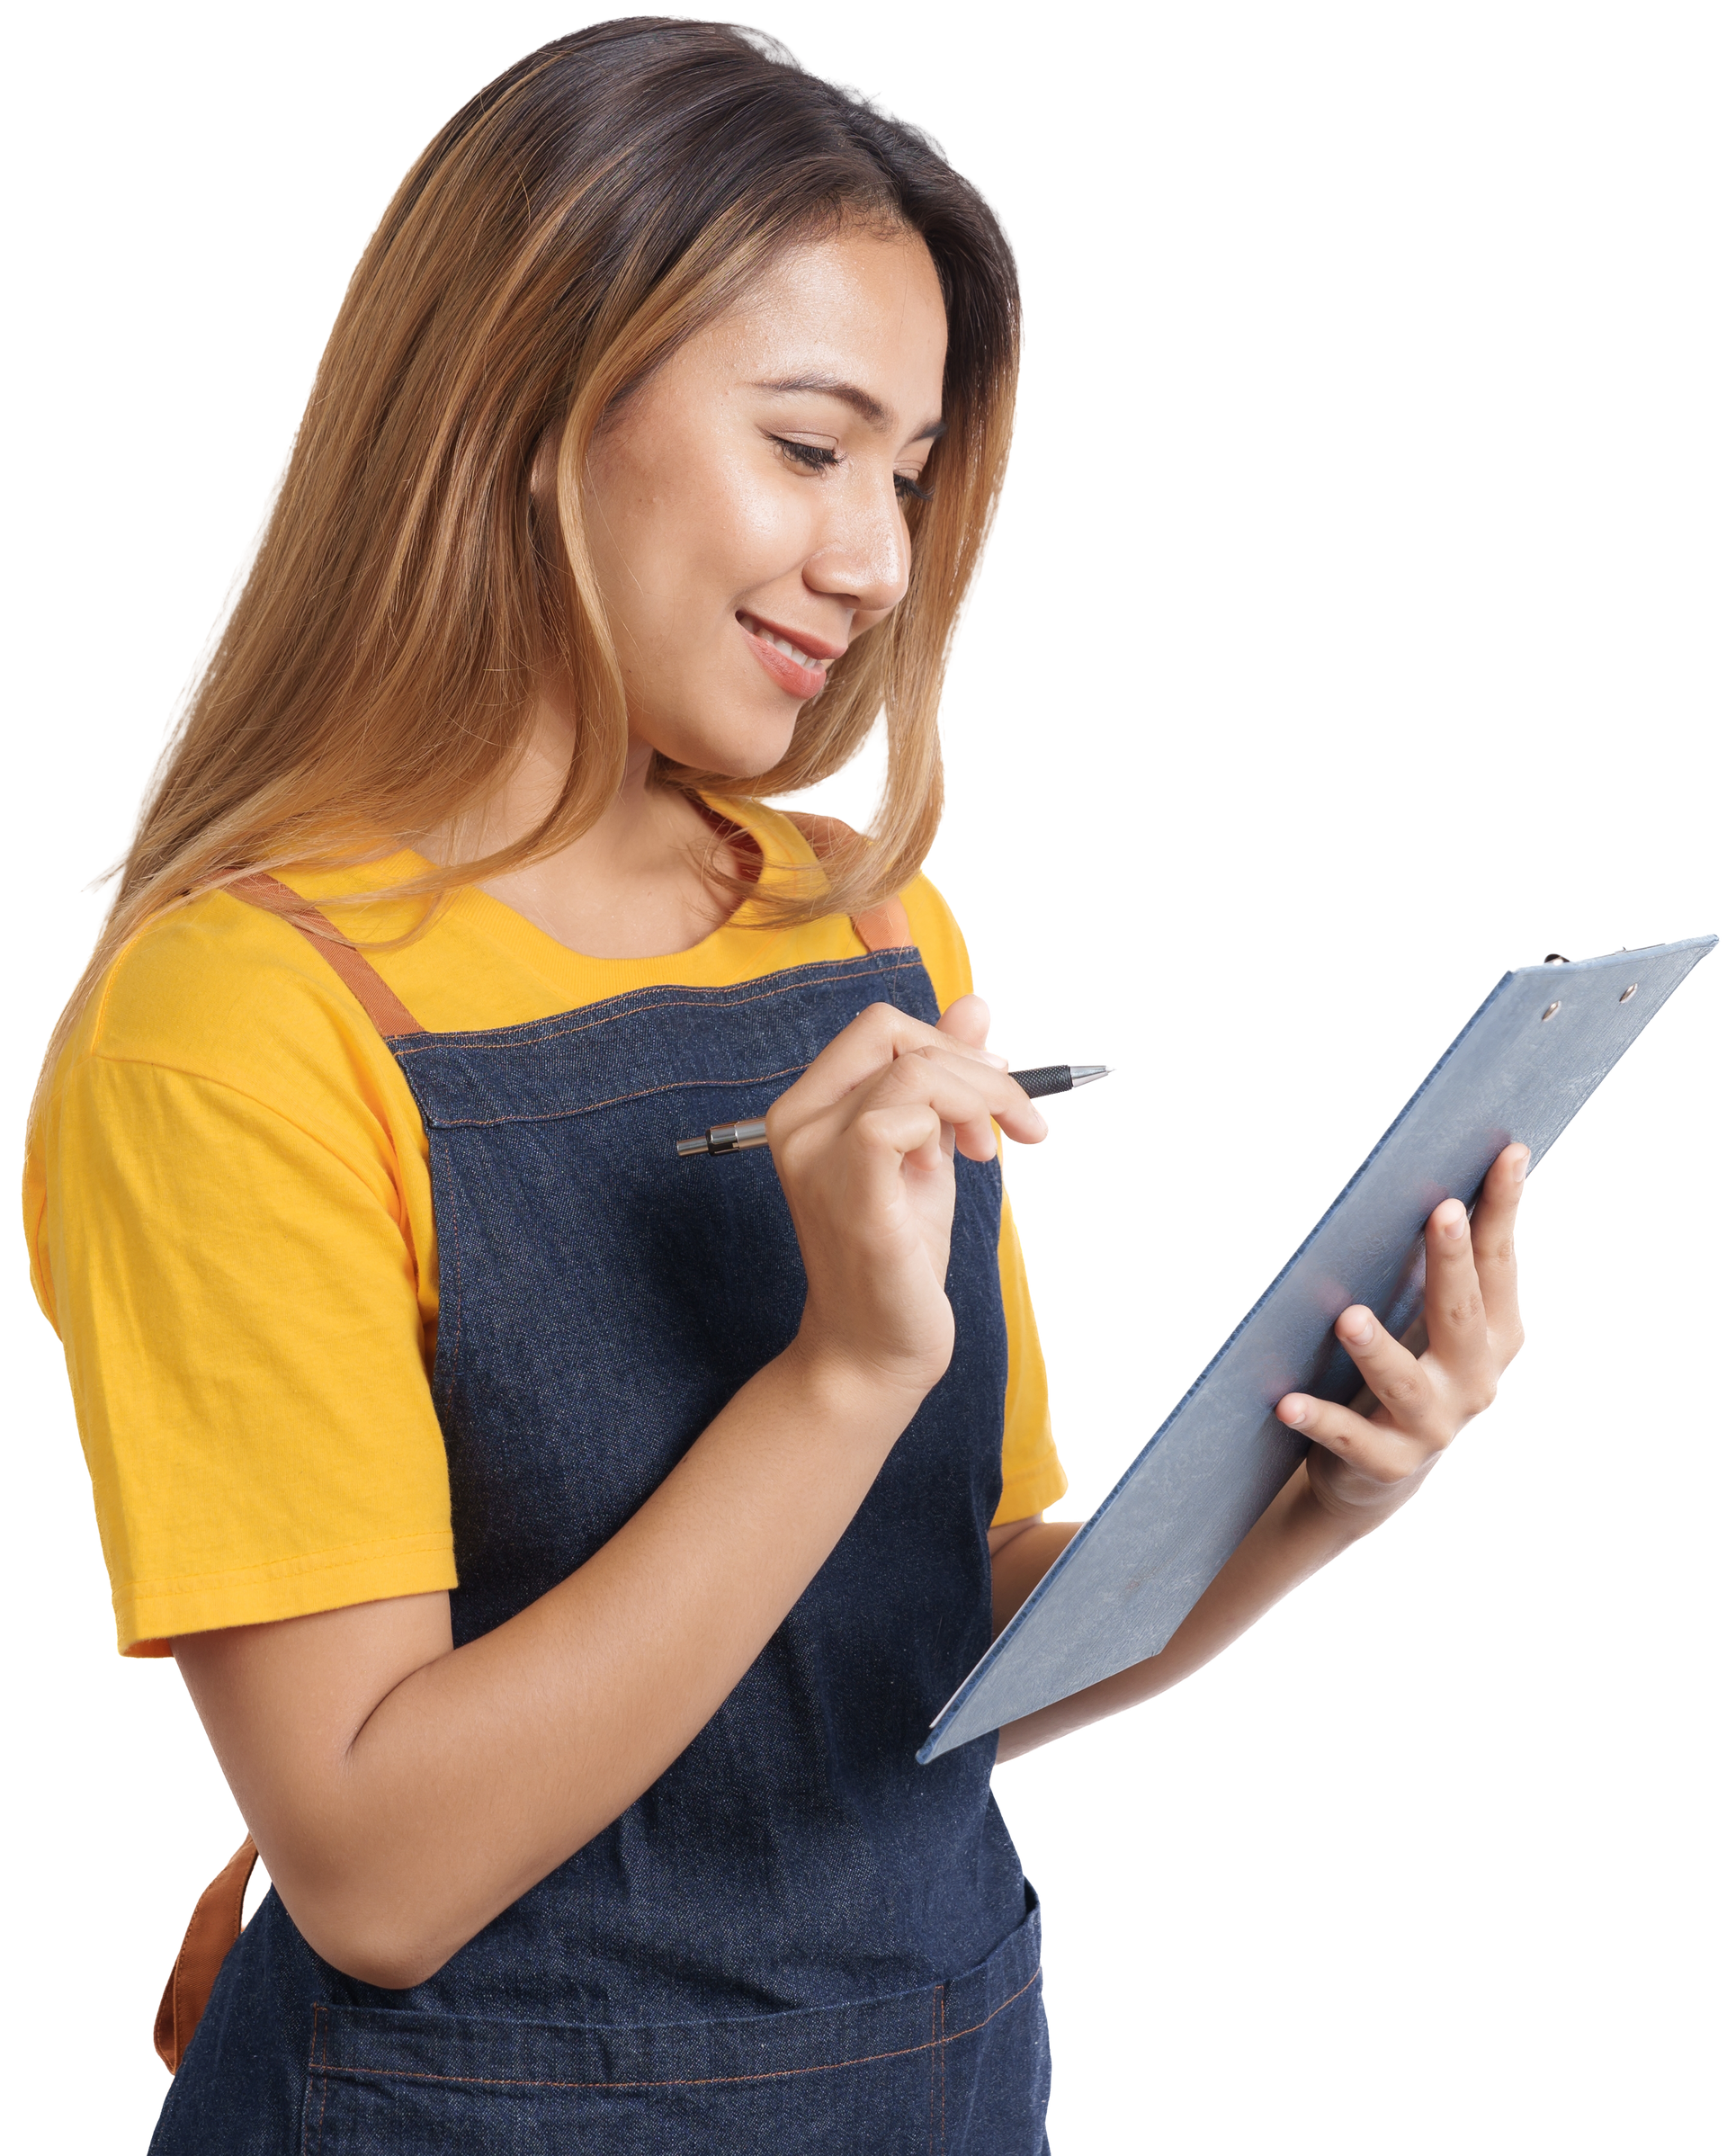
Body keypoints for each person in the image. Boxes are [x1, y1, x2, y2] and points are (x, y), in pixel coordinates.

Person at [22, 21, 1530, 2152]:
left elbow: (934, 1643)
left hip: (934, 2083)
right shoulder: (238, 1024)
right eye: (810, 448)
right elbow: (368, 1864)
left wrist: (1305, 1512)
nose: (880, 563)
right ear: (528, 408)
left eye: (903, 477)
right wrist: (835, 1374)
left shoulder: (871, 925)